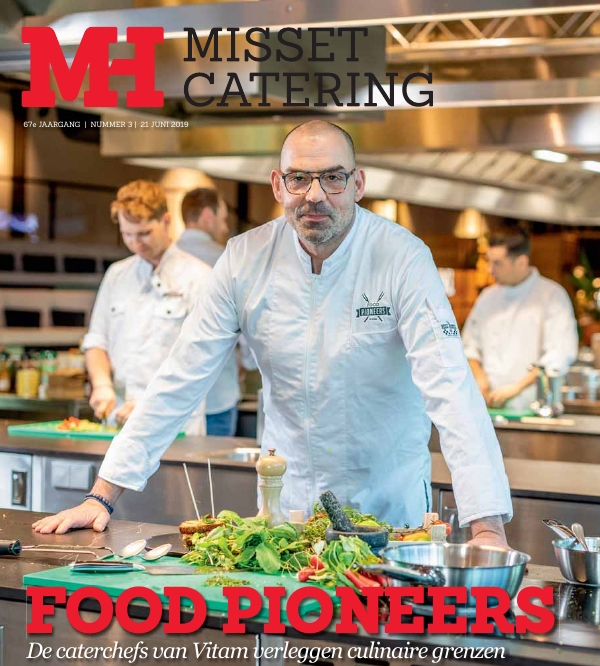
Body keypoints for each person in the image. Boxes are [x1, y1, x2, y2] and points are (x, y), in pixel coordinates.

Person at [34, 120, 512, 548]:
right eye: (299, 178)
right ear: (278, 185)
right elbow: (181, 375)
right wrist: (103, 495)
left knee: (380, 621)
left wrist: (487, 529)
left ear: (358, 184)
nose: (315, 194)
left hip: (387, 503)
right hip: (288, 506)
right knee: (289, 616)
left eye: (333, 177)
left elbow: (450, 388)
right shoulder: (245, 258)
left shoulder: (402, 257)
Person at [82, 180, 211, 434]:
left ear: (166, 221)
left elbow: (199, 359)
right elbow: (97, 341)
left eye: (144, 234)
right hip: (118, 421)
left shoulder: (199, 277)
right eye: (127, 235)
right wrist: (102, 385)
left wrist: (150, 406)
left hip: (175, 424)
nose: (136, 243)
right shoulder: (116, 275)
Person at [462, 226, 578, 410]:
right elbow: (469, 347)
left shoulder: (552, 296)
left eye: (497, 263)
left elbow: (558, 355)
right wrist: (480, 379)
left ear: (521, 262)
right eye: (489, 262)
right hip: (485, 408)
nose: (490, 269)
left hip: (532, 407)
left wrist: (515, 388)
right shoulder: (487, 297)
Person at [177, 188, 241, 436]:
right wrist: (248, 361)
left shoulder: (161, 261)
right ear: (207, 216)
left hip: (172, 397)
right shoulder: (229, 259)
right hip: (217, 394)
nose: (224, 228)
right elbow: (247, 322)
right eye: (223, 220)